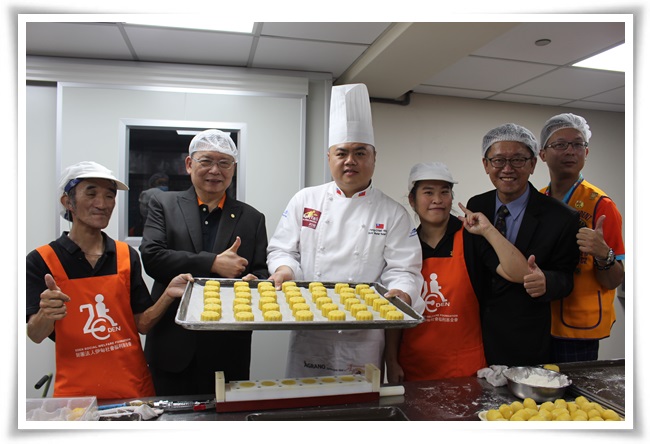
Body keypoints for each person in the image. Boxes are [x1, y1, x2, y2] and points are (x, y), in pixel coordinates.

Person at [267, 83, 424, 378]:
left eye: (360, 153)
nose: (350, 161)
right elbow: (282, 249)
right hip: (309, 327)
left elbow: (405, 268)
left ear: (374, 158)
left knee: (358, 411)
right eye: (342, 153)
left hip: (364, 335)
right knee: (304, 407)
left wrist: (402, 291)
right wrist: (285, 269)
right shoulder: (305, 200)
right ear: (329, 158)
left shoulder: (393, 213)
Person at [26, 161, 192, 400]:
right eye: (91, 193)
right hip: (76, 396)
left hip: (132, 389)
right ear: (67, 202)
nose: (102, 204)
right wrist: (46, 313)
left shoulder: (126, 255)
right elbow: (36, 334)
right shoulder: (41, 260)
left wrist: (168, 294)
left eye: (109, 196)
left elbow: (141, 324)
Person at [139, 129, 269, 396]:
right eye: (206, 161)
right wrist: (213, 264)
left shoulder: (252, 218)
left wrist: (253, 284)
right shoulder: (164, 204)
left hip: (228, 346)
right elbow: (153, 257)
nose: (215, 170)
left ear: (233, 169)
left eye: (224, 163)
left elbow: (260, 271)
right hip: (172, 342)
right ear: (189, 164)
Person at [385, 162, 533, 382]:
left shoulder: (471, 238)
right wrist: (391, 359)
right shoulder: (404, 244)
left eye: (444, 192)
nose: (437, 199)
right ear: (412, 200)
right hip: (414, 364)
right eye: (428, 192)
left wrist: (488, 231)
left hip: (465, 365)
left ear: (452, 198)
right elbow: (394, 309)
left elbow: (521, 274)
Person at [466, 123, 581, 366]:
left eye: (518, 159)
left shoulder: (561, 217)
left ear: (532, 164)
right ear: (486, 165)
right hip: (475, 331)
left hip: (526, 335)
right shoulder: (478, 204)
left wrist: (547, 281)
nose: (507, 169)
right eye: (498, 160)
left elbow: (566, 277)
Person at [538, 113, 625, 362]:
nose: (570, 151)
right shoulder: (538, 201)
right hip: (540, 319)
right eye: (560, 144)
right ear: (542, 154)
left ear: (586, 153)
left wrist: (603, 254)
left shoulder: (601, 205)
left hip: (579, 328)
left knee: (574, 399)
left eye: (578, 144)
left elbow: (613, 280)